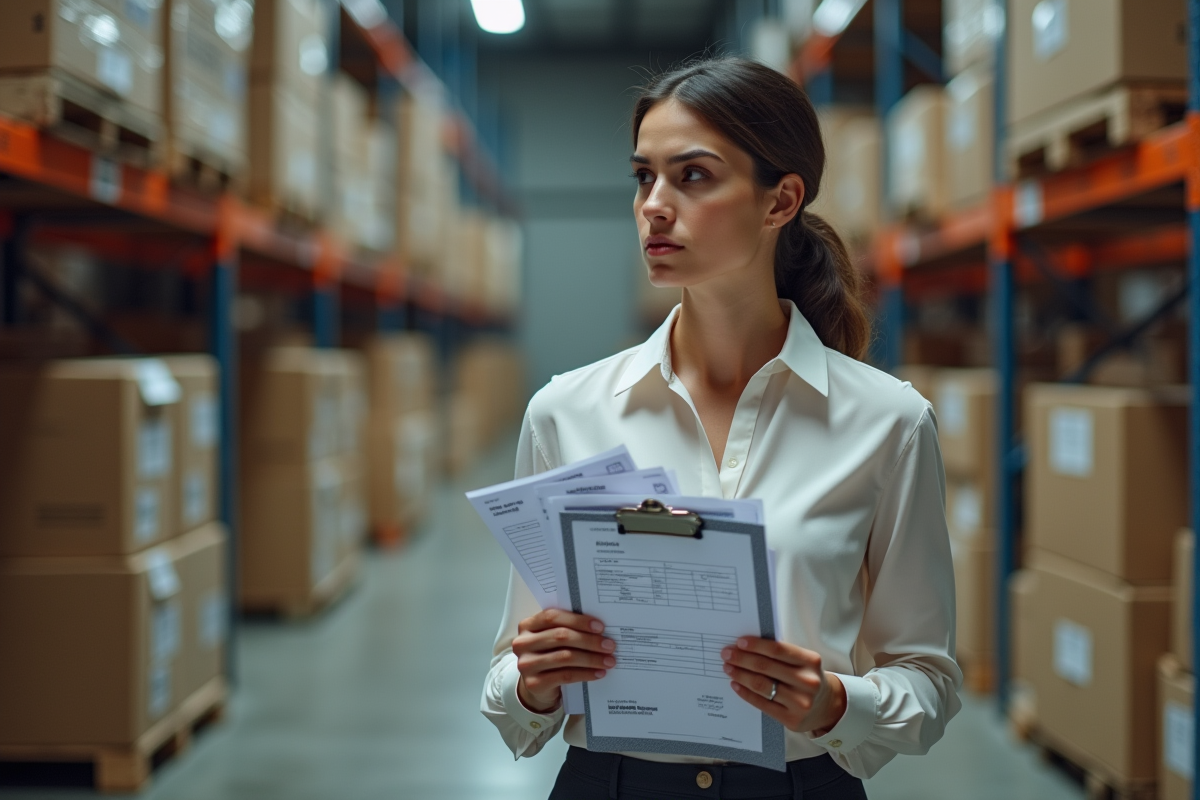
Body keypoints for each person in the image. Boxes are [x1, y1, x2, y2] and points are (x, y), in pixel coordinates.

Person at [481, 56, 961, 800]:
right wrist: (535, 681)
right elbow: (510, 690)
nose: (654, 206)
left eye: (693, 176)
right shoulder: (566, 412)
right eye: (644, 177)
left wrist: (837, 704)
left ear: (781, 201)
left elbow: (928, 686)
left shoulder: (887, 423)